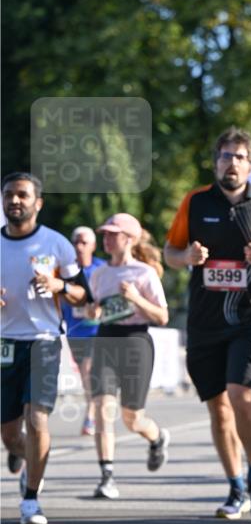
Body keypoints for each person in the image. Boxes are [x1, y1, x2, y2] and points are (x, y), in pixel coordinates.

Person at [164, 127, 251, 518]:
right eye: (225, 156)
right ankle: (235, 487)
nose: (232, 163)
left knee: (241, 396)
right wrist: (187, 258)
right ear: (216, 162)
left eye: (240, 156)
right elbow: (169, 251)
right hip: (205, 319)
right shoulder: (195, 202)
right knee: (217, 407)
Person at [1, 172, 88, 524]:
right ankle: (28, 463)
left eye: (22, 195)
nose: (14, 201)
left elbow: (83, 294)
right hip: (5, 344)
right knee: (9, 433)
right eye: (8, 195)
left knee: (37, 420)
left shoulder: (56, 244)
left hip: (44, 341)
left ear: (38, 202)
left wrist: (59, 284)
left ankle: (31, 499)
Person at [88, 213, 170, 498]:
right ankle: (106, 475)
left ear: (129, 239)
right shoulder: (99, 273)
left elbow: (162, 316)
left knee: (132, 419)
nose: (106, 239)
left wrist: (135, 298)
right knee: (101, 409)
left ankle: (157, 437)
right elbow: (94, 309)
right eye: (105, 234)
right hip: (106, 339)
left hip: (136, 340)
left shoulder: (144, 273)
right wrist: (92, 312)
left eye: (112, 233)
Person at [61, 226, 104, 435]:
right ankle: (94, 408)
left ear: (93, 246)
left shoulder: (101, 268)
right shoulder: (66, 270)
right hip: (75, 331)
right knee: (87, 375)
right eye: (76, 242)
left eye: (84, 242)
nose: (79, 246)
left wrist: (99, 308)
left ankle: (91, 415)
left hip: (98, 331)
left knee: (89, 370)